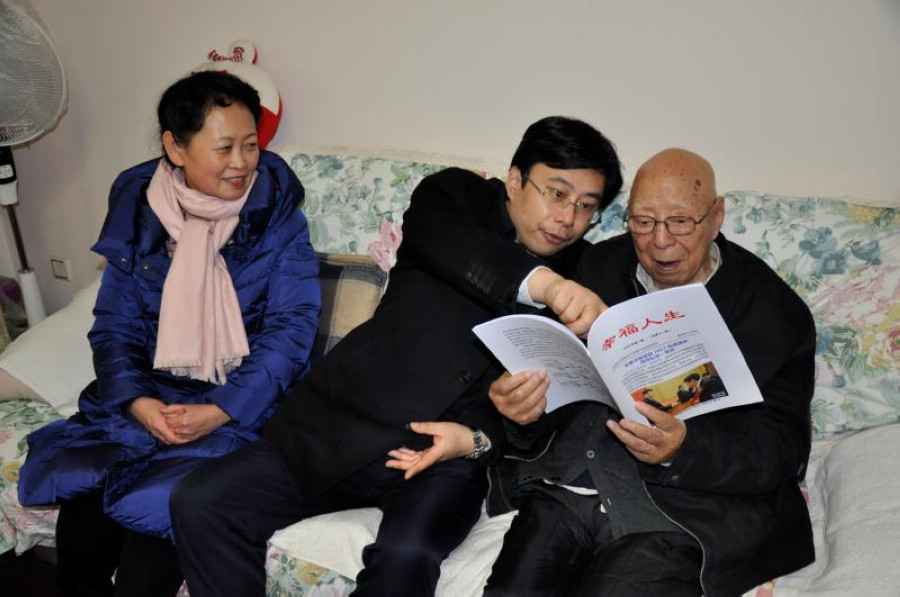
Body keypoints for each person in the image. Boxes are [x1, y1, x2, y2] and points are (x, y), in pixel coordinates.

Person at [170, 116, 624, 597]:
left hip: (446, 459)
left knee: (408, 557)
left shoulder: (586, 272)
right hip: (348, 421)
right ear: (515, 179)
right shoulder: (456, 197)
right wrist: (546, 285)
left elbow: (555, 409)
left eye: (586, 206)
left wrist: (483, 435)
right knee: (201, 502)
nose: (568, 219)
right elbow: (457, 249)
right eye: (557, 193)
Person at [17, 70, 321, 597]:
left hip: (246, 406)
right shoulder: (139, 212)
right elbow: (114, 325)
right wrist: (138, 403)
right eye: (223, 147)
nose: (241, 162)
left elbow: (291, 333)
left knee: (154, 537)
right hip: (152, 399)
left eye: (250, 145)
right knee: (85, 520)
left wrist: (221, 409)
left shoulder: (278, 218)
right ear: (176, 148)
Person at [485, 148, 815, 596]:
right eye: (642, 221)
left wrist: (684, 448)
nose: (660, 241)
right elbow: (560, 385)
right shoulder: (599, 267)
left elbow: (784, 447)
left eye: (680, 222)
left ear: (716, 216)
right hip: (573, 484)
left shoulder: (771, 311)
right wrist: (521, 409)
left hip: (684, 513)